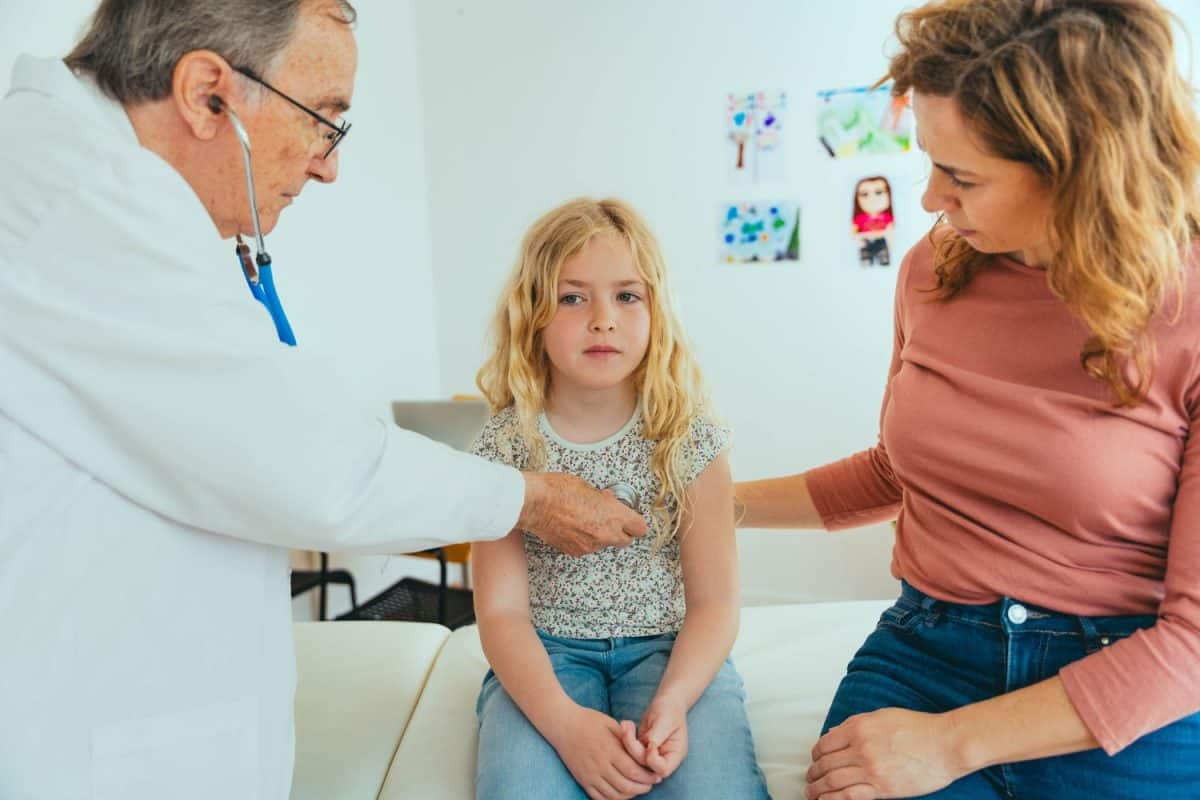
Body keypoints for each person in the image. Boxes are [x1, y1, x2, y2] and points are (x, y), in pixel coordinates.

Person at [0, 3, 645, 798]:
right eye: (323, 121)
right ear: (208, 95)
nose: (326, 165)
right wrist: (530, 499)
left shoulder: (93, 192)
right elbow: (306, 463)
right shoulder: (71, 208)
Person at [735, 1, 1200, 798]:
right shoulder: (936, 267)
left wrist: (952, 746)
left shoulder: (1186, 310)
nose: (929, 201)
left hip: (1122, 691)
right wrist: (711, 503)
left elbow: (1193, 644)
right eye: (931, 164)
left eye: (962, 177)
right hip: (927, 653)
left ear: (1078, 164)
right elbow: (899, 471)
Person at [469, 198, 771, 800]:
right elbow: (501, 614)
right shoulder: (503, 445)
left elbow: (716, 602)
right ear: (532, 313)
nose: (602, 319)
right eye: (573, 297)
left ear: (656, 310)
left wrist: (676, 701)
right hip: (544, 658)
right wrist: (563, 724)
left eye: (627, 296)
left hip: (671, 651)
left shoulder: (692, 437)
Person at [851, 176, 895, 267]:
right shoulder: (859, 219)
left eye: (878, 192)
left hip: (882, 244)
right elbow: (853, 234)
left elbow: (891, 232)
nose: (872, 198)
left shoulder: (886, 217)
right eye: (864, 194)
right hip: (866, 245)